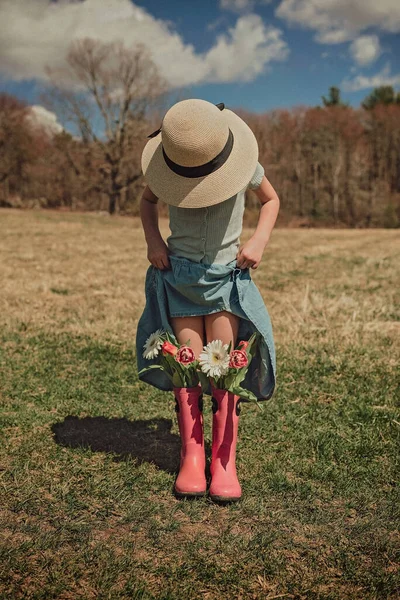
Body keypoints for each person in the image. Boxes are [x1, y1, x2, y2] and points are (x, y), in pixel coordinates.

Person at [136, 99, 279, 503]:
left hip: (224, 278)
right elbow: (147, 203)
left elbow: (272, 200)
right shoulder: (168, 170)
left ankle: (224, 460)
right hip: (180, 279)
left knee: (223, 370)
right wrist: (153, 241)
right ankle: (192, 457)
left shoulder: (243, 164)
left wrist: (258, 240)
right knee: (188, 368)